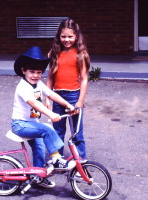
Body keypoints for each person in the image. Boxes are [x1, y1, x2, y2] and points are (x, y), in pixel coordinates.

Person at [11, 46, 76, 189]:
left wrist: (67, 104)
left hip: (32, 123)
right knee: (46, 129)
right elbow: (33, 102)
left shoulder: (38, 84)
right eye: (32, 72)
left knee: (39, 149)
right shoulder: (23, 87)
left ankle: (38, 177)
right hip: (20, 124)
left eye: (39, 72)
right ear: (23, 71)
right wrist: (51, 114)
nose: (35, 75)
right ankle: (56, 159)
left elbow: (51, 94)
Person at [46, 18, 90, 160]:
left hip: (73, 97)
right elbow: (50, 78)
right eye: (63, 36)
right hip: (57, 97)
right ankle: (58, 160)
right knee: (57, 131)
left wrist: (80, 101)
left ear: (76, 36)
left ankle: (80, 162)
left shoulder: (80, 54)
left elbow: (84, 79)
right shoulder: (54, 53)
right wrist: (47, 98)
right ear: (58, 36)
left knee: (76, 132)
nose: (67, 39)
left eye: (70, 36)